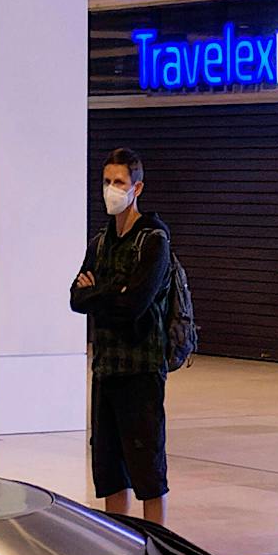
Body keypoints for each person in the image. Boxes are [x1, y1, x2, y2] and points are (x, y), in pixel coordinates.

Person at [69, 148, 174, 523]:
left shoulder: (153, 240)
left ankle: (156, 544)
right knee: (110, 468)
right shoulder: (100, 242)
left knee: (147, 468)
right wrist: (113, 292)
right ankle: (119, 540)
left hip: (141, 369)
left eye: (119, 183)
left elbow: (136, 304)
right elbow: (75, 298)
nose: (111, 190)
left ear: (137, 187)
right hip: (106, 369)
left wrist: (101, 292)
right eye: (107, 182)